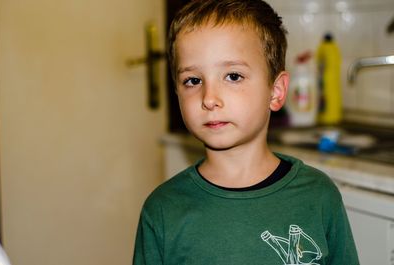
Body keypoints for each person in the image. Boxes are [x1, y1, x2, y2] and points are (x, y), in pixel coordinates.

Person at [133, 0, 359, 264]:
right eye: (193, 81)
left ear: (275, 92)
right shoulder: (162, 210)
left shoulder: (318, 196)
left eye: (233, 76)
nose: (209, 98)